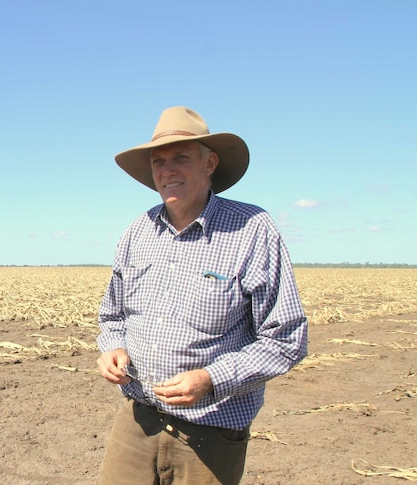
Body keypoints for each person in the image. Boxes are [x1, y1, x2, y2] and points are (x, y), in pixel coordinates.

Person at [95, 106, 308, 485]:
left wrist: (211, 379)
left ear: (210, 163)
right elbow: (113, 316)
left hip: (209, 435)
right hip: (137, 421)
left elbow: (286, 339)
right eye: (158, 161)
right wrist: (112, 347)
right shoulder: (137, 232)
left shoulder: (251, 230)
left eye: (181, 157)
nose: (167, 170)